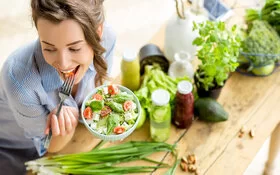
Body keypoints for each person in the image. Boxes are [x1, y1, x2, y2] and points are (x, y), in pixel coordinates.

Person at [0, 0, 116, 174]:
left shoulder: (107, 38)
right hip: (15, 153)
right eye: (48, 48)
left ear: (98, 33)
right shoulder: (19, 81)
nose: (63, 63)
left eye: (75, 48)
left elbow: (96, 92)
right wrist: (64, 131)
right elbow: (47, 147)